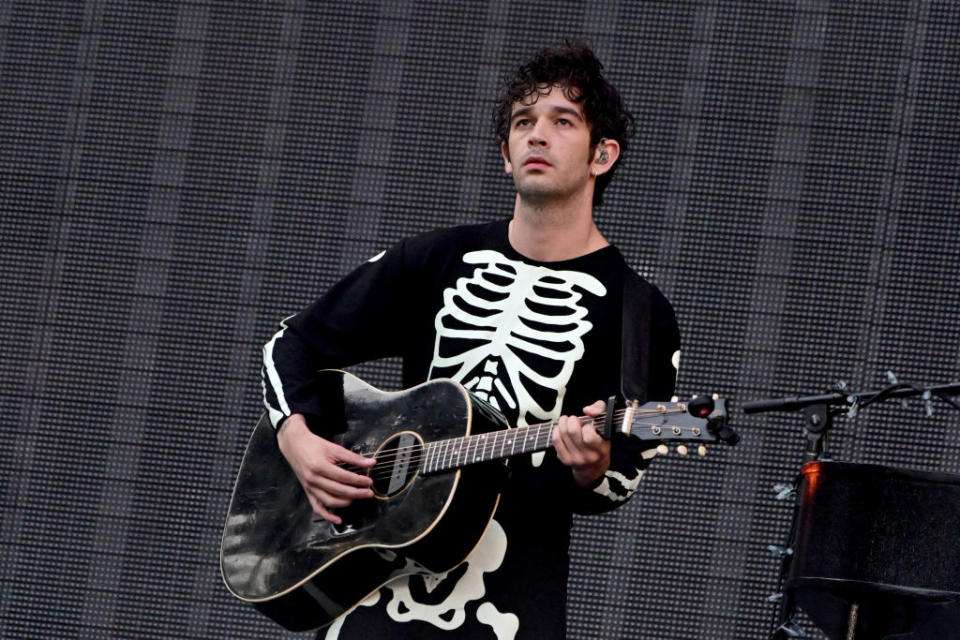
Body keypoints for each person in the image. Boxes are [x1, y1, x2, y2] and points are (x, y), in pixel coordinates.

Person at [261, 40, 681, 640]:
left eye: (563, 122)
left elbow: (622, 477)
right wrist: (299, 440)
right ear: (505, 156)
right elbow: (292, 342)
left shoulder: (642, 314)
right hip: (371, 584)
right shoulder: (434, 260)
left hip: (510, 607)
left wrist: (593, 468)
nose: (537, 135)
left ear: (602, 155)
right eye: (523, 123)